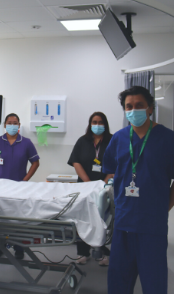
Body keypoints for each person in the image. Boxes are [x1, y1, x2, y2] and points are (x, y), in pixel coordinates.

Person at [102, 86, 174, 294]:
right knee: (118, 280)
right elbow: (109, 172)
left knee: (154, 282)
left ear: (150, 108)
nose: (133, 110)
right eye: (129, 106)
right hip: (123, 223)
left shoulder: (168, 139)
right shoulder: (118, 139)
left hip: (152, 225)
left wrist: (165, 207)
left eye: (139, 106)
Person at [0, 113, 40, 259]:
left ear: (19, 125)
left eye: (15, 123)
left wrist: (26, 179)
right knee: (0, 215)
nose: (12, 125)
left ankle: (19, 247)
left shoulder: (26, 142)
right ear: (5, 125)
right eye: (10, 122)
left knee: (18, 217)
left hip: (19, 187)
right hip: (1, 187)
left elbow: (35, 162)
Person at [68, 111, 112, 266]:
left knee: (101, 218)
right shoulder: (83, 141)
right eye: (94, 122)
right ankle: (82, 252)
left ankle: (99, 250)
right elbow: (76, 162)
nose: (97, 125)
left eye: (100, 122)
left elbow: (116, 164)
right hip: (84, 186)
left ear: (105, 124)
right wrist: (88, 183)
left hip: (104, 187)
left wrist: (103, 185)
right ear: (90, 124)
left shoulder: (112, 141)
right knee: (82, 218)